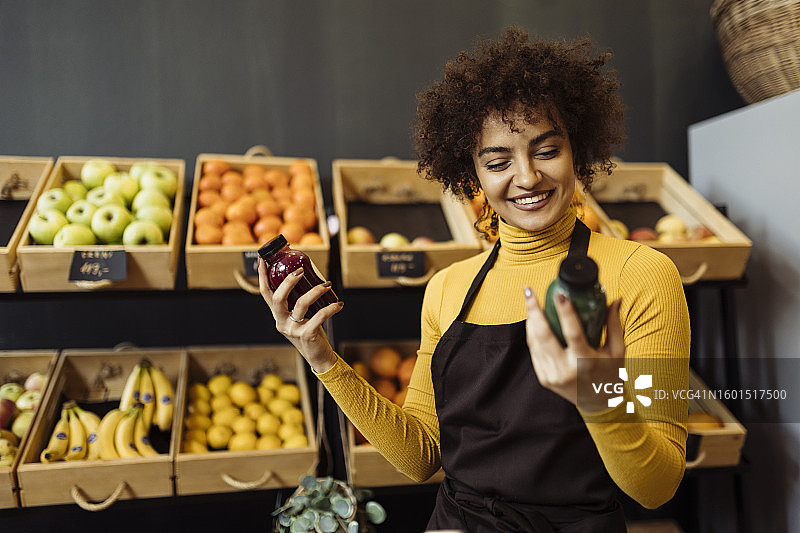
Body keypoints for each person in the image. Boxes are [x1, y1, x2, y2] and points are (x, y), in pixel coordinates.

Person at [258, 26, 690, 533]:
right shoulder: (448, 288)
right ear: (473, 175)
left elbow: (657, 487)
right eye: (498, 161)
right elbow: (420, 456)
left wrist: (597, 394)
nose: (527, 178)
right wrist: (322, 359)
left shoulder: (641, 275)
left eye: (547, 150)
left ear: (579, 149)